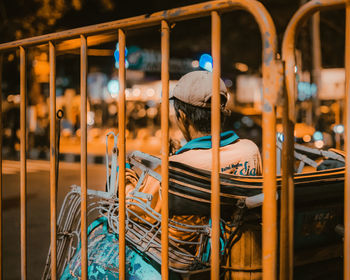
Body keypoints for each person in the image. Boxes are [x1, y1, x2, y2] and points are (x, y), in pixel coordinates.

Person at [60, 71, 261, 279]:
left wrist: (124, 179)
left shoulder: (178, 166)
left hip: (184, 254)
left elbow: (135, 208)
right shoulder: (250, 151)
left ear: (182, 116)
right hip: (231, 245)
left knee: (98, 232)